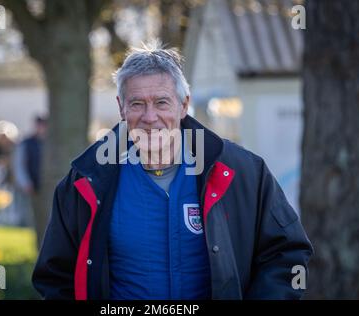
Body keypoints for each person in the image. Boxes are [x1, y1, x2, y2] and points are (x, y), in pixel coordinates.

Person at [32, 42, 313, 300]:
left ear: (184, 105)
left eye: (162, 102)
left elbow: (286, 254)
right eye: (137, 104)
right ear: (121, 108)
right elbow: (55, 276)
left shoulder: (243, 173)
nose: (150, 117)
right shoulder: (84, 181)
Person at [12, 116, 47, 243]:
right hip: (34, 187)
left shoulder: (51, 143)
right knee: (36, 219)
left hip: (49, 187)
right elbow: (19, 164)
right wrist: (26, 183)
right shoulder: (26, 143)